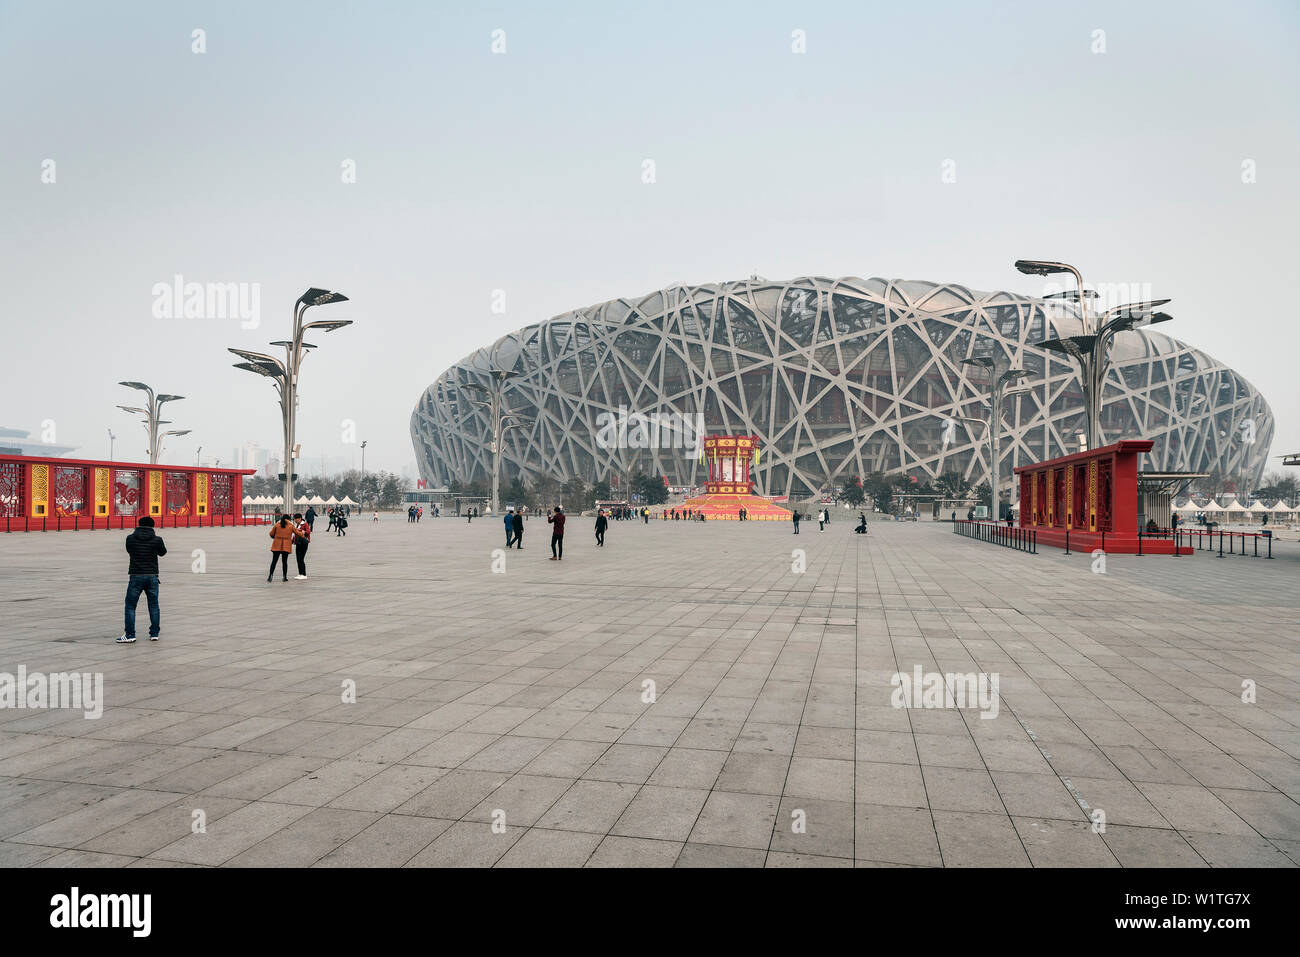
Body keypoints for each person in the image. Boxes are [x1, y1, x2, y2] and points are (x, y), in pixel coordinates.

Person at [117, 515, 167, 643]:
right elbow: (163, 553)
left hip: (136, 576)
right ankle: (154, 633)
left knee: (130, 606)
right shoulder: (157, 540)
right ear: (152, 526)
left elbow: (129, 551)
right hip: (152, 576)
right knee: (154, 605)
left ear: (138, 524)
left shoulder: (130, 538)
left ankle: (130, 634)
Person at [268, 514, 300, 581]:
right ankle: (284, 577)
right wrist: (304, 534)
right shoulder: (291, 526)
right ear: (289, 520)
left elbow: (271, 534)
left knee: (274, 561)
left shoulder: (277, 525)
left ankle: (270, 575)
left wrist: (275, 537)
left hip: (276, 545)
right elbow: (297, 533)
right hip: (286, 546)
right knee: (284, 562)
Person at [292, 512, 312, 579]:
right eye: (294, 519)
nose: (295, 520)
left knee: (301, 558)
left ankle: (304, 574)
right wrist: (292, 541)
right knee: (298, 558)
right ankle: (300, 573)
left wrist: (302, 531)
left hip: (304, 543)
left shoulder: (305, 524)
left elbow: (308, 532)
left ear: (300, 518)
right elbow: (295, 534)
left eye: (296, 519)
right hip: (298, 542)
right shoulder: (297, 525)